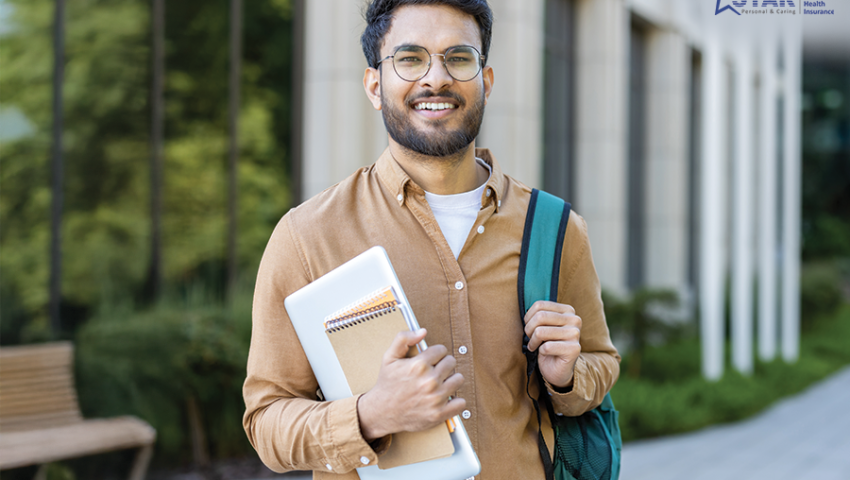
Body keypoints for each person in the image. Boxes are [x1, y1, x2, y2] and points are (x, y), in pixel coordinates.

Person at [242, 1, 620, 478]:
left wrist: (566, 377)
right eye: (410, 58)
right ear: (375, 86)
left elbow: (601, 362)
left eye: (459, 58)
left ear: (486, 80)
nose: (435, 78)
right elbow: (266, 422)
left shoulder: (556, 228)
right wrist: (369, 415)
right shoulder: (307, 235)